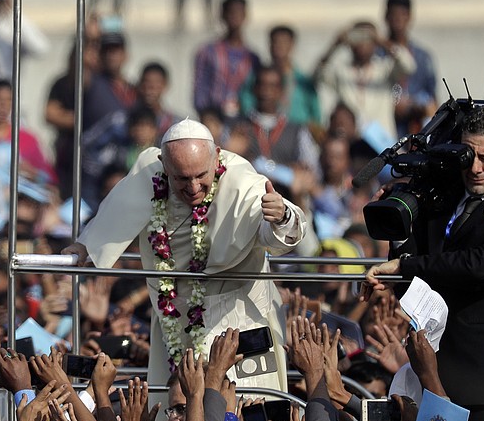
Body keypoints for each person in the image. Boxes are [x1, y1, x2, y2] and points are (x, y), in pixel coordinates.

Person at [63, 118, 306, 387]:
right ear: (166, 167)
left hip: (238, 316)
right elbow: (112, 217)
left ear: (216, 158)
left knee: (246, 409)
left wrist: (281, 216)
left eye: (201, 176)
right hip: (174, 320)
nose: (192, 188)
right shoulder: (150, 171)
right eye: (182, 178)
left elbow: (274, 237)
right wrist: (82, 247)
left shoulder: (241, 179)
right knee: (174, 413)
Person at [362, 104, 484, 421]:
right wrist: (400, 231)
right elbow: (421, 281)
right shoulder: (446, 201)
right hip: (432, 374)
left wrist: (405, 266)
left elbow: (476, 265)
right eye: (468, 156)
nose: (475, 169)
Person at [315, 21, 416, 140]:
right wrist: (335, 45)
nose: (363, 43)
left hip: (382, 142)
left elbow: (409, 65)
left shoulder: (384, 69)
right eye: (359, 37)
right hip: (352, 142)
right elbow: (317, 75)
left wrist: (383, 42)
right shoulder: (341, 71)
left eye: (367, 38)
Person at [193, 0, 260, 119]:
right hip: (214, 120)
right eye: (231, 13)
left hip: (243, 121)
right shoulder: (207, 52)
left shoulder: (252, 57)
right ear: (222, 15)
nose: (235, 17)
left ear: (245, 16)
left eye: (239, 13)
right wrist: (207, 116)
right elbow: (199, 89)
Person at [383, 0, 438, 137]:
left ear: (409, 17)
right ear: (386, 17)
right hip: (386, 128)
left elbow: (432, 97)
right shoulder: (378, 55)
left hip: (416, 127)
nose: (398, 20)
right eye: (394, 15)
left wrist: (414, 106)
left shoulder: (422, 57)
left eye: (402, 15)